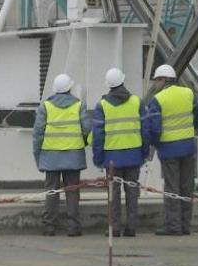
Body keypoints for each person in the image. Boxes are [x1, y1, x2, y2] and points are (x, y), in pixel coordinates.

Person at [147, 63, 198, 236]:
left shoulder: (158, 99)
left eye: (157, 80)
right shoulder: (188, 93)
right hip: (188, 146)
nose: (156, 84)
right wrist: (192, 127)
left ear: (163, 79)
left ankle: (173, 226)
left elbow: (154, 128)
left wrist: (155, 143)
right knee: (187, 187)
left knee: (172, 188)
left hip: (168, 149)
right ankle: (185, 225)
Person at [92, 67, 150, 237]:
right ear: (123, 81)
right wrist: (144, 152)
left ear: (108, 85)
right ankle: (131, 227)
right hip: (134, 155)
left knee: (113, 194)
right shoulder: (137, 102)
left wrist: (98, 158)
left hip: (112, 158)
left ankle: (114, 228)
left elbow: (98, 136)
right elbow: (145, 130)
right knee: (132, 192)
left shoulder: (102, 105)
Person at [33, 73, 92, 237]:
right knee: (72, 192)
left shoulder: (46, 106)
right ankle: (73, 227)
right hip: (73, 156)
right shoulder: (79, 105)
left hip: (50, 157)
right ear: (70, 88)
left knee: (51, 191)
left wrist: (38, 158)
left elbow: (37, 134)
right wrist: (83, 144)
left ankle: (49, 226)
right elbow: (87, 129)